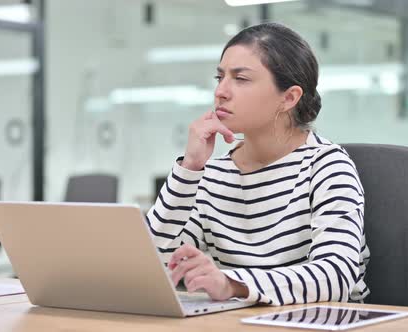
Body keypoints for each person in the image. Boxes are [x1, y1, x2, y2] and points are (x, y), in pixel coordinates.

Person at [145, 22, 369, 305]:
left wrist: (231, 283)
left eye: (241, 79)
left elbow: (335, 276)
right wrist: (189, 168)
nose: (221, 92)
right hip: (242, 322)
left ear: (288, 98)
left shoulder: (326, 166)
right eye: (220, 78)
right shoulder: (212, 175)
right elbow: (155, 267)